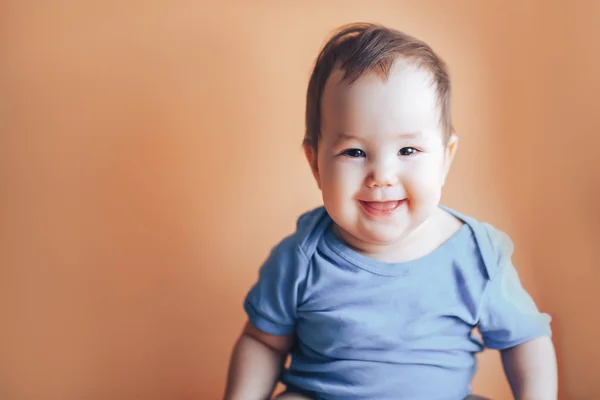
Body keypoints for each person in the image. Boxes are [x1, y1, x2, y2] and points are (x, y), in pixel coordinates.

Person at [223, 22, 557, 400]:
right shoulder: (302, 257)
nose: (381, 176)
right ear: (315, 164)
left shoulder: (475, 255)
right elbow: (263, 342)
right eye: (354, 152)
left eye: (407, 151)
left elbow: (525, 339)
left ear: (445, 159)